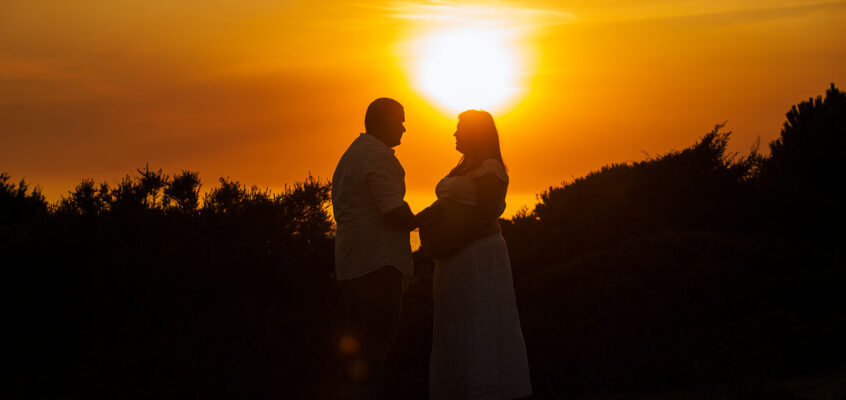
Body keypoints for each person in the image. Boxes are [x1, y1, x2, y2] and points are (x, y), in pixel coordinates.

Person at [418, 110, 532, 399]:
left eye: (460, 128)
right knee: (455, 324)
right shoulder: (463, 167)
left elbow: (485, 217)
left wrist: (449, 245)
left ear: (476, 133)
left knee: (479, 323)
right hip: (455, 261)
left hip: (478, 257)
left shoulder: (490, 167)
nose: (454, 133)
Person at [331, 98, 419, 400]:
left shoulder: (353, 154)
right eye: (400, 121)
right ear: (383, 122)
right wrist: (428, 219)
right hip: (377, 266)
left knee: (359, 343)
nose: (405, 128)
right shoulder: (378, 157)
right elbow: (394, 211)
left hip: (350, 263)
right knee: (376, 346)